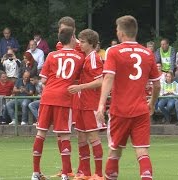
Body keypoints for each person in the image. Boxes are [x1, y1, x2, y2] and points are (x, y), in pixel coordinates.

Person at [95, 15, 161, 180]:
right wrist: (151, 103)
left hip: (120, 110)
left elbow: (109, 77)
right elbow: (157, 85)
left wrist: (101, 105)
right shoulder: (147, 53)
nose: (116, 32)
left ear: (122, 33)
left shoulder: (114, 51)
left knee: (115, 151)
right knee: (142, 151)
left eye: (117, 29)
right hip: (141, 110)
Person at [31, 27, 84, 180]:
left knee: (41, 133)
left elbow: (43, 80)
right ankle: (66, 175)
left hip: (48, 96)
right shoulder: (79, 57)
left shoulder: (52, 55)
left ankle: (35, 173)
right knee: (65, 136)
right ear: (73, 38)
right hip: (64, 97)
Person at [67, 29, 105, 180]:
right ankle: (86, 173)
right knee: (81, 138)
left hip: (91, 104)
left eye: (83, 42)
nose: (80, 44)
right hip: (82, 104)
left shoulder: (94, 58)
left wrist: (80, 87)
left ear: (91, 43)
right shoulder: (86, 56)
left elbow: (101, 81)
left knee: (93, 137)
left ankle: (99, 174)